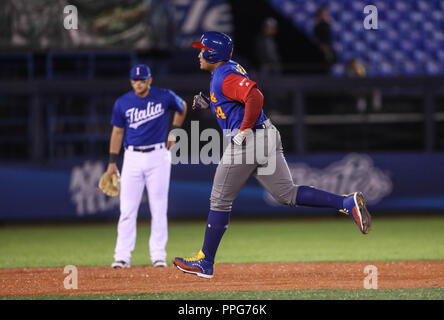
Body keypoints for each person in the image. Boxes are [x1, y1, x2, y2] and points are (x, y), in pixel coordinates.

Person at [172, 32, 371, 279]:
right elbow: (234, 101)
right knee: (286, 193)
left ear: (213, 53)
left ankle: (205, 261)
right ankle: (345, 203)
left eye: (202, 49)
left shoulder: (224, 75)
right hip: (266, 135)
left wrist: (244, 130)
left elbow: (255, 96)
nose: (199, 53)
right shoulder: (227, 71)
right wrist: (209, 103)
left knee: (219, 199)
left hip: (250, 140)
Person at [107, 64, 187, 268]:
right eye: (135, 80)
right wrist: (112, 162)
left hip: (158, 155)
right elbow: (117, 132)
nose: (138, 83)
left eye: (142, 80)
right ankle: (122, 256)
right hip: (132, 156)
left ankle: (158, 255)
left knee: (159, 208)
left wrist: (174, 131)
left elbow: (182, 107)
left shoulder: (164, 95)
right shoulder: (122, 102)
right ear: (131, 81)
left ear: (150, 80)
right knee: (127, 210)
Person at [313, 6, 337, 73]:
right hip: (320, 49)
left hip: (328, 48)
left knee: (329, 65)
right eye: (323, 14)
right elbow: (317, 37)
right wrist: (322, 45)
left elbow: (330, 36)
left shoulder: (328, 24)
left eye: (326, 14)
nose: (325, 15)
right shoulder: (317, 25)